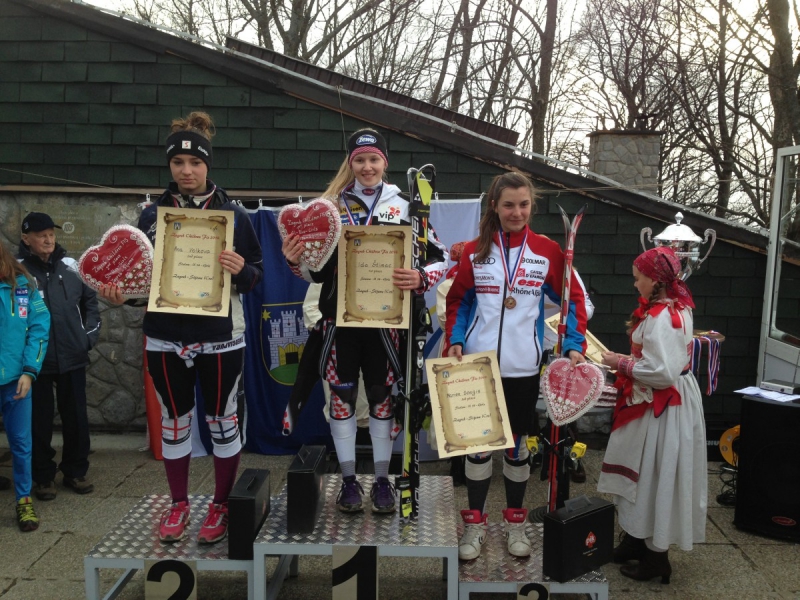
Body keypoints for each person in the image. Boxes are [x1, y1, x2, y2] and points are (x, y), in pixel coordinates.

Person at [101, 111, 263, 544]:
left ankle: (221, 505)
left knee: (222, 421)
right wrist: (122, 295)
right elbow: (142, 284)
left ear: (208, 164)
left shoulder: (233, 214)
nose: (186, 171)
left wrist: (242, 269)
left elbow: (256, 277)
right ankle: (178, 504)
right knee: (175, 423)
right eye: (178, 163)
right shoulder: (151, 217)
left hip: (220, 336)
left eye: (195, 163)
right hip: (165, 335)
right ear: (169, 165)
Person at [282, 128, 448, 514]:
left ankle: (383, 481)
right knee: (341, 402)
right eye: (359, 160)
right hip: (340, 322)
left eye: (374, 159)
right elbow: (314, 273)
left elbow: (440, 256)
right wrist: (295, 261)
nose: (367, 166)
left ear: (384, 163)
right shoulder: (330, 208)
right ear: (350, 163)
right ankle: (349, 482)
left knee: (381, 401)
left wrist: (421, 277)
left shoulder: (407, 205)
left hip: (387, 325)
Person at [444, 171, 588, 561]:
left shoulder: (546, 251)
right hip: (478, 367)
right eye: (508, 205)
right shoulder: (475, 251)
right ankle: (474, 526)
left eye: (524, 205)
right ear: (494, 206)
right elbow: (459, 301)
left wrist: (573, 344)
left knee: (516, 449)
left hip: (522, 368)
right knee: (477, 451)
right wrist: (455, 338)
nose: (517, 212)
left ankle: (515, 524)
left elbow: (573, 300)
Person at [598, 246, 707, 584]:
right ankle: (635, 537)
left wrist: (620, 363)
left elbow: (662, 372)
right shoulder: (671, 307)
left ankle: (656, 556)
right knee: (641, 470)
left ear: (654, 279)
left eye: (638, 278)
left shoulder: (664, 317)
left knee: (656, 473)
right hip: (651, 401)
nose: (635, 284)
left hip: (664, 406)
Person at [18, 212, 101, 501]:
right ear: (26, 239)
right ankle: (43, 477)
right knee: (38, 421)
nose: (48, 239)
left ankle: (75, 471)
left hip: (72, 355)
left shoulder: (72, 267)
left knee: (76, 418)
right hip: (35, 361)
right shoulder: (17, 271)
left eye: (51, 234)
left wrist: (87, 338)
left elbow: (91, 304)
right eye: (41, 235)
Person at [0, 240, 50, 531]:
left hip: (16, 381)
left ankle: (24, 501)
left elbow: (40, 326)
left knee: (21, 444)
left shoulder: (22, 284)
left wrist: (30, 371)